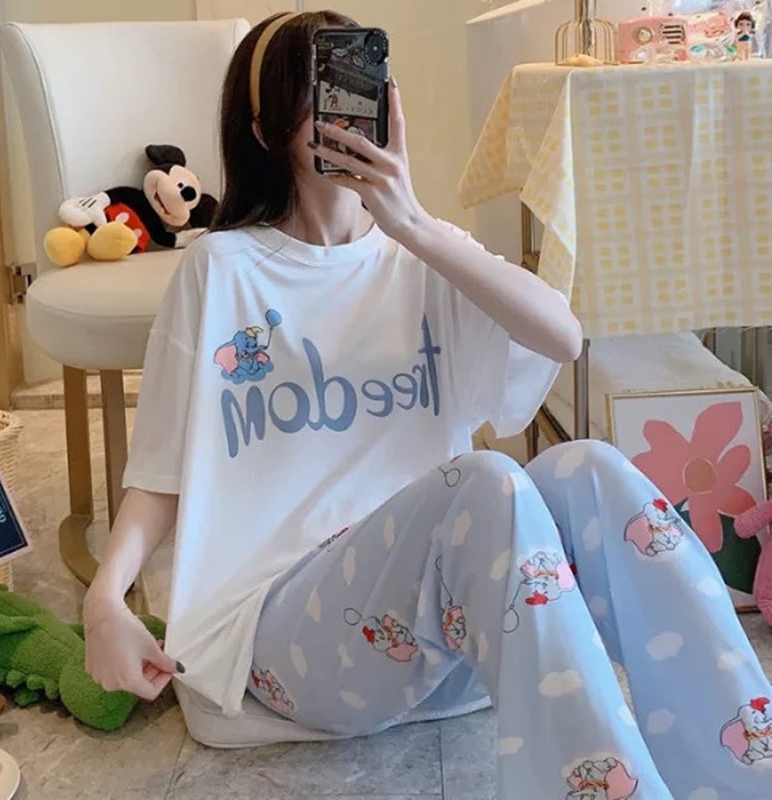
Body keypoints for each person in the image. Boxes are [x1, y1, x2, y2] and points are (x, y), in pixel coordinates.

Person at [82, 10, 772, 799]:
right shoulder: (221, 271)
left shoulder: (421, 253)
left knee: (590, 468)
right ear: (266, 131)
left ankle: (748, 774)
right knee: (487, 480)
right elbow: (163, 470)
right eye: (316, 96)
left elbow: (563, 336)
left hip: (445, 643)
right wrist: (106, 601)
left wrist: (409, 222)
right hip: (282, 638)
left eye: (360, 87)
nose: (345, 114)